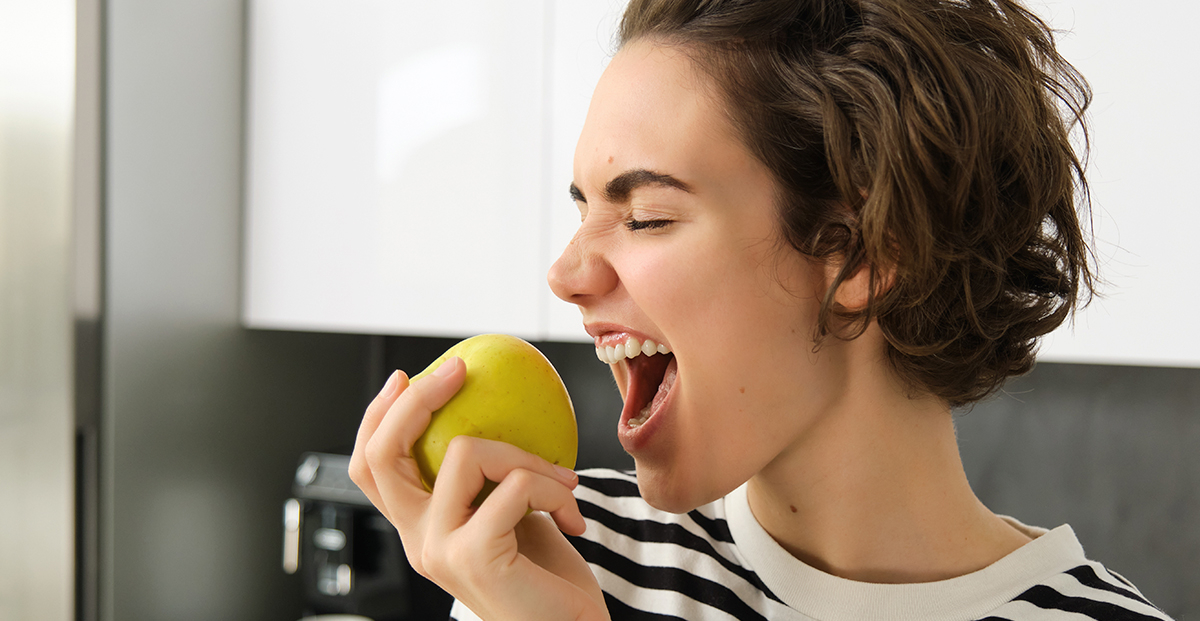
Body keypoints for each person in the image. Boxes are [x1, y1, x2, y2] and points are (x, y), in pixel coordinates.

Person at [350, 0, 1174, 619]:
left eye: (645, 217)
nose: (565, 274)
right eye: (583, 210)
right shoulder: (545, 555)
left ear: (859, 251)